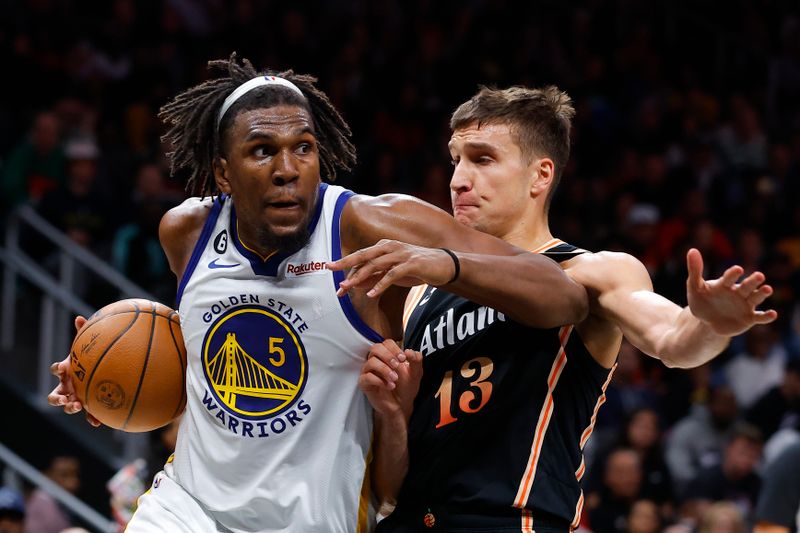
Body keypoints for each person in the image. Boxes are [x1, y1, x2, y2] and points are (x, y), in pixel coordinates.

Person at [47, 55, 588, 533]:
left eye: (302, 148)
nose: (288, 170)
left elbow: (562, 296)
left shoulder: (372, 223)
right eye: (262, 151)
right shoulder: (186, 232)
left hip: (318, 517)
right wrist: (103, 376)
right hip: (190, 508)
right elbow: (204, 356)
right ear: (223, 171)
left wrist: (440, 264)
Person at [365, 85, 778, 532]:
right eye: (456, 160)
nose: (458, 180)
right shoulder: (421, 297)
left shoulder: (591, 271)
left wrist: (712, 324)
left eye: (482, 159)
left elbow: (674, 341)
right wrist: (391, 414)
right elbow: (389, 490)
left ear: (540, 176)